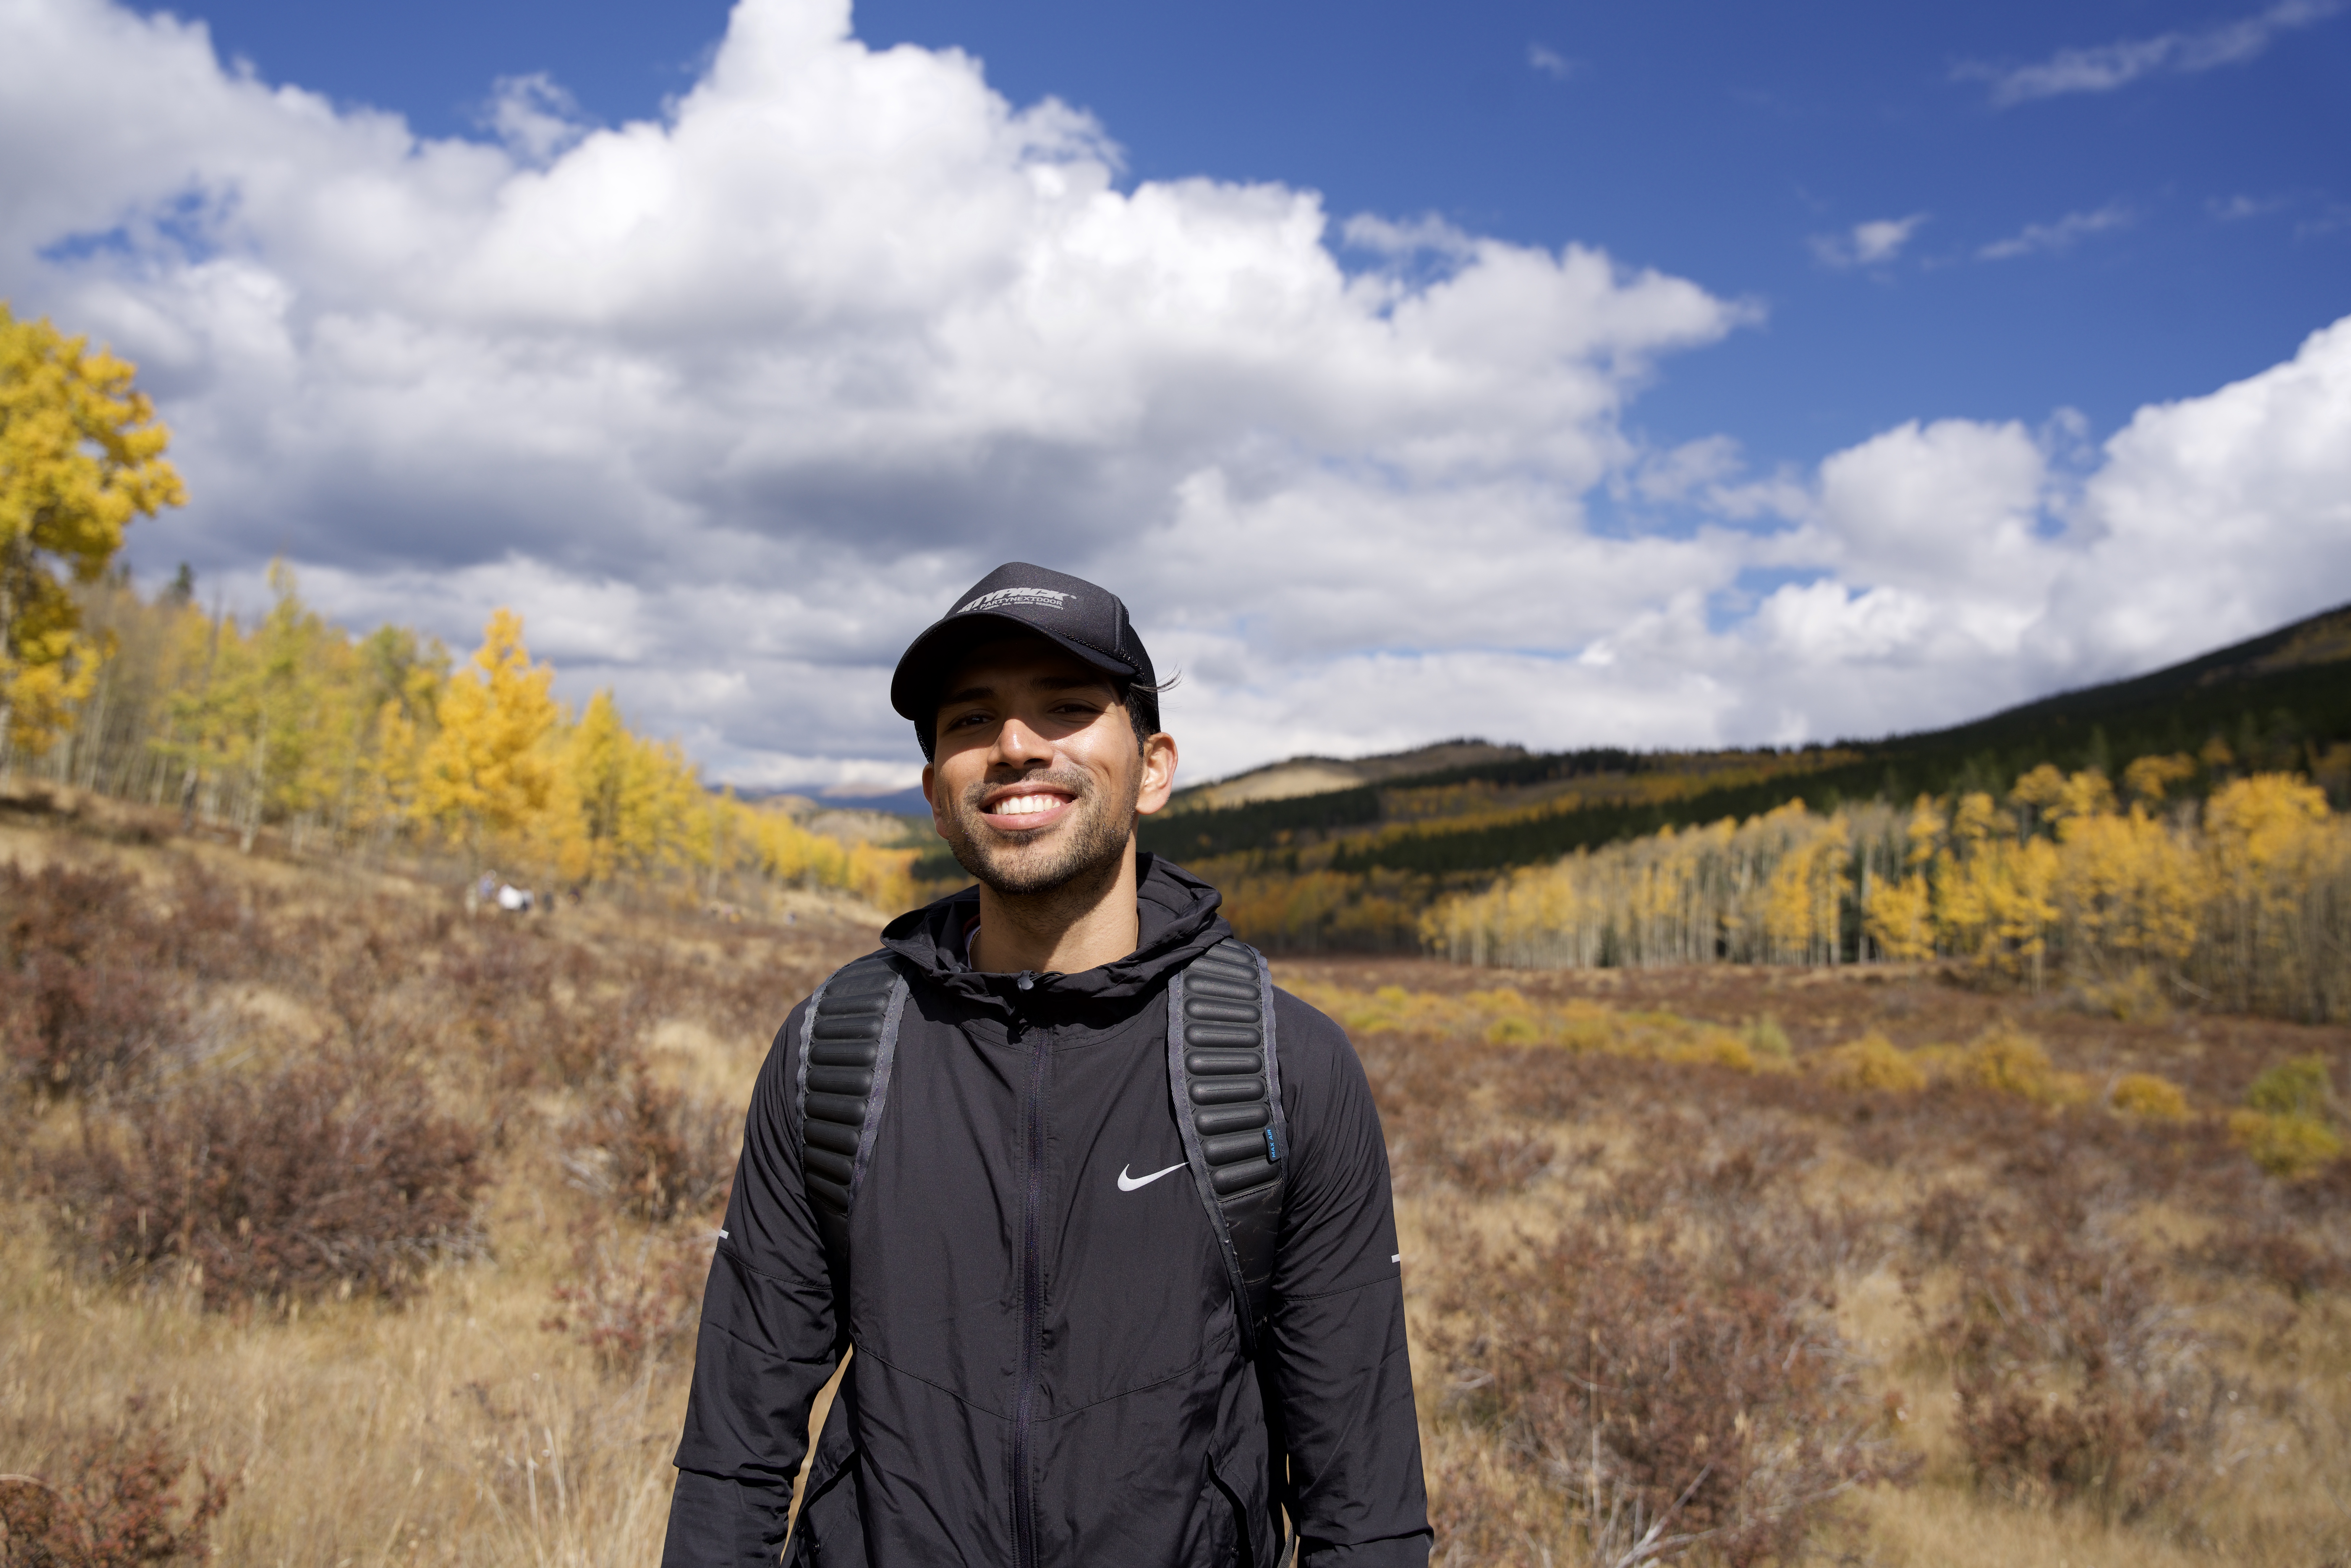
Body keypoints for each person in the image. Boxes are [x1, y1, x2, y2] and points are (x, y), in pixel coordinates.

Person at [662, 563, 1431, 1567]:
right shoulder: (838, 1050)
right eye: (970, 721)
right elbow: (734, 1456)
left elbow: (1362, 1499)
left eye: (1066, 708)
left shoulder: (1282, 1066)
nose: (1015, 747)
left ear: (1153, 767)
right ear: (938, 793)